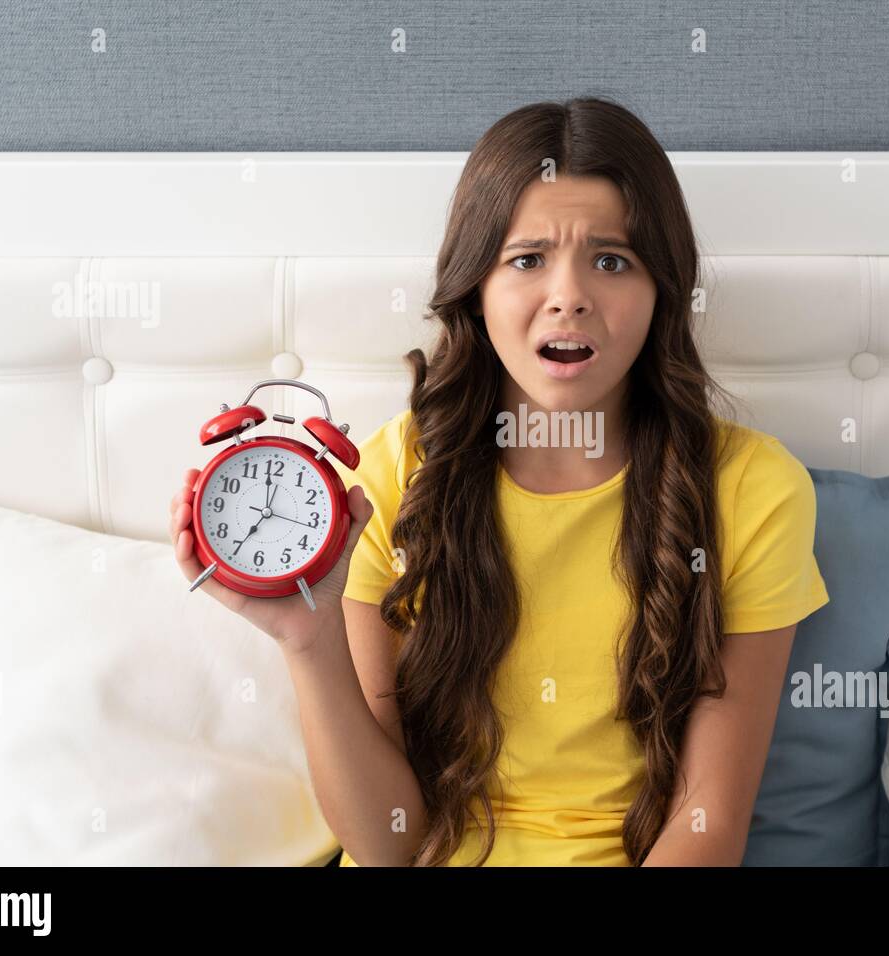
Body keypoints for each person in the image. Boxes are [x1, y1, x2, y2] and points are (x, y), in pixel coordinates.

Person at [168, 96, 829, 867]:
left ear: (661, 291)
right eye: (528, 259)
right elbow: (390, 843)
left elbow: (707, 828)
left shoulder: (752, 488)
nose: (569, 294)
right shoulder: (390, 472)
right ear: (476, 289)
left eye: (611, 260)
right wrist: (308, 641)